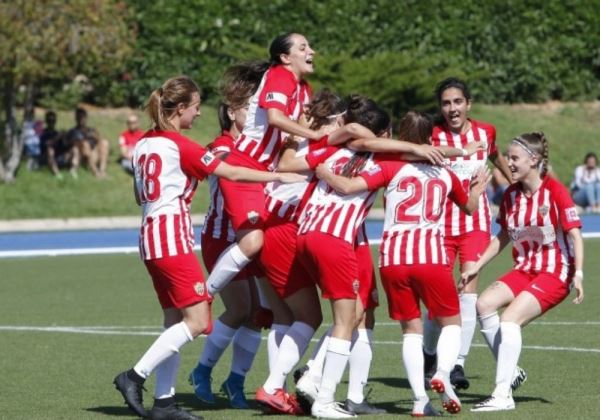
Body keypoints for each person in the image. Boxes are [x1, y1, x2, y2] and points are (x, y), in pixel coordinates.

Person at [112, 75, 305, 420]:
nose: (199, 114)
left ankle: (165, 402)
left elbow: (138, 194)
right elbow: (232, 172)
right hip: (171, 236)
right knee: (199, 320)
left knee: (174, 320)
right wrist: (277, 176)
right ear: (181, 107)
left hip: (149, 236)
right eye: (197, 107)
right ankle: (135, 375)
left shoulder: (142, 143)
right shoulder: (179, 145)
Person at [314, 111, 489, 416]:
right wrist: (476, 189)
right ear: (430, 141)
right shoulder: (445, 172)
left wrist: (324, 172)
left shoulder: (389, 167)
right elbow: (470, 208)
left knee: (411, 330)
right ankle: (442, 373)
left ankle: (420, 401)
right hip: (430, 257)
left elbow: (347, 187)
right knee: (452, 323)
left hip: (392, 259)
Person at [462, 132, 584, 412]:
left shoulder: (555, 191)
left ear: (534, 160)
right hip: (525, 269)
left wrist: (578, 274)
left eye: (514, 158)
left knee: (509, 320)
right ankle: (512, 372)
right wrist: (476, 267)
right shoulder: (510, 195)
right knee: (483, 304)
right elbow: (503, 236)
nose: (509, 163)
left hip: (555, 272)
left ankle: (502, 394)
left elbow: (576, 235)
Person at [204, 32, 328, 299]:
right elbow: (274, 117)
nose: (312, 52)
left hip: (270, 174)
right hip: (247, 166)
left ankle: (270, 304)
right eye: (304, 47)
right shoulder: (280, 76)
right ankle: (206, 294)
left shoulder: (304, 88)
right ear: (285, 57)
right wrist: (315, 136)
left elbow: (304, 125)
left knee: (271, 246)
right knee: (252, 242)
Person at [423, 77, 513, 390]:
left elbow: (496, 155)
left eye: (457, 102)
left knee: (468, 290)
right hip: (439, 224)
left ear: (468, 104)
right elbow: (421, 156)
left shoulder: (486, 131)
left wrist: (511, 184)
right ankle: (429, 353)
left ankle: (458, 363)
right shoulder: (432, 133)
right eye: (446, 103)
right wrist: (462, 150)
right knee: (439, 293)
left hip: (475, 223)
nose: (452, 108)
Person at [189, 61, 269, 410]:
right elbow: (227, 173)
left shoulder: (257, 148)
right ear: (233, 112)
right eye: (250, 108)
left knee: (258, 315)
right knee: (239, 308)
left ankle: (235, 381)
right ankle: (201, 370)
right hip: (223, 239)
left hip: (250, 237)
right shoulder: (221, 147)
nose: (256, 115)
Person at [66, 107, 110, 178]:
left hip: (94, 153)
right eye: (79, 117)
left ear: (86, 118)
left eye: (83, 117)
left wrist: (95, 136)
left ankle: (103, 171)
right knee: (85, 144)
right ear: (76, 118)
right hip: (82, 156)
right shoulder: (72, 131)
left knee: (105, 142)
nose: (81, 119)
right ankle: (96, 172)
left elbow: (100, 139)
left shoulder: (91, 130)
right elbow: (69, 144)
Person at [43, 111, 80, 179]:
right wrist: (57, 137)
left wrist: (66, 138)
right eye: (50, 120)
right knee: (50, 150)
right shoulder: (43, 133)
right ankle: (57, 173)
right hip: (48, 158)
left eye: (53, 120)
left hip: (60, 156)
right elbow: (46, 144)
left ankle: (73, 170)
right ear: (46, 121)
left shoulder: (56, 132)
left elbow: (64, 145)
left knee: (75, 148)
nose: (52, 122)